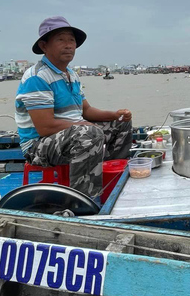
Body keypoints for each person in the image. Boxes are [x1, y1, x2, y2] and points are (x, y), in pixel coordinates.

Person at [15, 16, 132, 203]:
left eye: (71, 40)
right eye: (61, 39)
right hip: (38, 146)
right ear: (44, 46)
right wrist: (82, 125)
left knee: (121, 124)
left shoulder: (72, 75)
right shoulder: (37, 77)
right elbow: (45, 127)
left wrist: (117, 114)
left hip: (72, 133)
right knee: (89, 133)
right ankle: (83, 202)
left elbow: (87, 110)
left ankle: (109, 177)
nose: (68, 45)